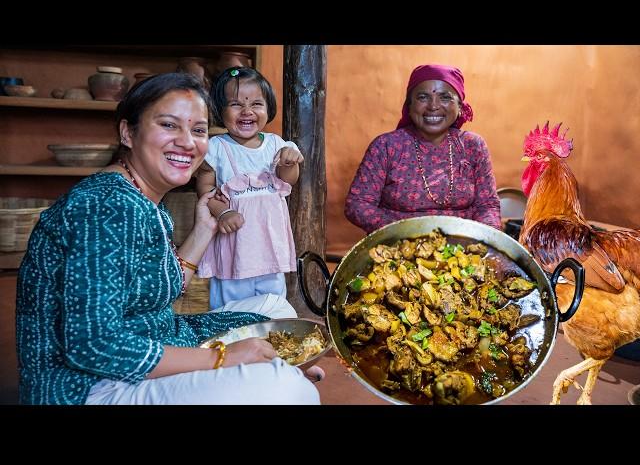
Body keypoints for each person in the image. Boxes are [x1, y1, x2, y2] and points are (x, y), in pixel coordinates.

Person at [15, 73, 321, 405]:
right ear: (128, 132)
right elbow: (93, 346)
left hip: (155, 336)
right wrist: (221, 359)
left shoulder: (142, 197)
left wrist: (204, 228)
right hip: (91, 385)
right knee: (291, 389)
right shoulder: (107, 205)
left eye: (198, 130)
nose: (188, 142)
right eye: (169, 125)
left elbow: (161, 287)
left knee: (274, 308)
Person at [344, 64, 501, 234]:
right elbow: (357, 203)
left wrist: (485, 240)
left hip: (463, 247)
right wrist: (404, 232)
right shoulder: (386, 146)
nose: (433, 106)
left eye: (445, 97)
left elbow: (487, 204)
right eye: (423, 97)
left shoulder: (473, 145)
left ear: (460, 107)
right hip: (398, 246)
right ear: (409, 106)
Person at [195, 67, 304, 309]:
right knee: (230, 311)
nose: (247, 111)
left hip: (269, 249)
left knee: (272, 307)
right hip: (235, 251)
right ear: (219, 110)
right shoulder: (217, 148)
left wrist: (289, 162)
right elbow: (205, 191)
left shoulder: (276, 144)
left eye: (256, 104)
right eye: (235, 104)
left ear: (268, 108)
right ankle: (230, 344)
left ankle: (267, 342)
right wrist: (222, 212)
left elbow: (289, 180)